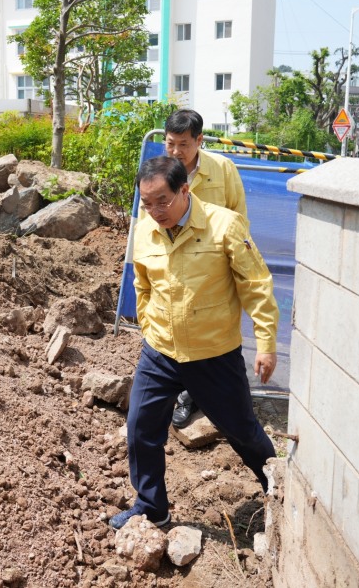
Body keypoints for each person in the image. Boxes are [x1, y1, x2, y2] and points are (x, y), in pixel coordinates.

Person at [110, 156, 279, 530]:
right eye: (147, 203)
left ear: (185, 190)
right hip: (161, 351)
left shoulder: (224, 226)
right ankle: (153, 507)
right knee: (141, 427)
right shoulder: (144, 231)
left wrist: (266, 342)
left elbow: (257, 288)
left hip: (213, 354)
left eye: (162, 201)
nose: (154, 211)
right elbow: (142, 284)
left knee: (241, 430)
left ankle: (278, 492)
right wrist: (149, 329)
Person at [162, 109, 247, 428]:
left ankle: (209, 398)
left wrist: (238, 262)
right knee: (180, 328)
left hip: (214, 266)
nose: (175, 152)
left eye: (183, 144)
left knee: (216, 331)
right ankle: (185, 391)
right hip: (175, 264)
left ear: (199, 140)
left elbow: (239, 218)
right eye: (170, 143)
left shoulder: (222, 169)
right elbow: (148, 217)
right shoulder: (161, 171)